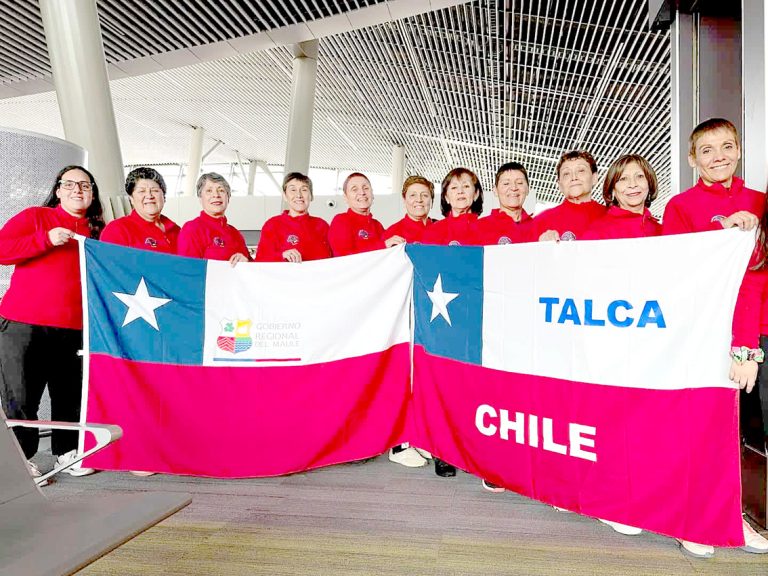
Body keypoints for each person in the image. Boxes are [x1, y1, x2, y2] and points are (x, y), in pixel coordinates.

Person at [662, 118, 768, 558]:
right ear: (692, 159)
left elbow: (758, 277)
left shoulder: (761, 202)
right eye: (707, 150)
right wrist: (718, 238)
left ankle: (747, 517)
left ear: (739, 151)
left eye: (727, 147)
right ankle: (696, 518)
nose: (718, 156)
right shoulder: (681, 206)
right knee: (704, 430)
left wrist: (755, 235)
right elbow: (675, 269)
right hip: (705, 332)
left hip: (756, 334)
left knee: (751, 435)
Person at [0, 165, 105, 483]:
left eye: (85, 185)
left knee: (70, 395)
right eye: (70, 184)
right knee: (20, 397)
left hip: (75, 327)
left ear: (92, 194)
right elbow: (2, 251)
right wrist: (45, 239)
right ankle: (22, 462)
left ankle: (67, 452)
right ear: (57, 191)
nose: (78, 190)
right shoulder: (36, 217)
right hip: (23, 325)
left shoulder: (99, 231)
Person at [255, 172, 331, 262]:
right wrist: (282, 255)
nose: (299, 195)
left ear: (311, 196)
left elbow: (335, 259)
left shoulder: (322, 226)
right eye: (293, 190)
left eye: (304, 190)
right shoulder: (273, 225)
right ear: (285, 196)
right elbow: (260, 260)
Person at [101, 167, 179, 253]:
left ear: (164, 197)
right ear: (132, 199)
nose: (149, 196)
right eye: (142, 191)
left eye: (155, 190)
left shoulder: (177, 230)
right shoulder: (117, 230)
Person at [177, 173, 250, 265]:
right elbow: (188, 269)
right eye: (209, 191)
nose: (216, 195)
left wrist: (246, 262)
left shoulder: (235, 234)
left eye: (221, 190)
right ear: (200, 198)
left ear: (228, 197)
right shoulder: (192, 229)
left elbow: (254, 271)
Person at [583, 154, 661, 240]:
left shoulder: (662, 231)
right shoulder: (597, 232)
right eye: (623, 179)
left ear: (649, 183)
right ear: (613, 189)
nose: (633, 184)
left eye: (640, 176)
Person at [534, 150, 606, 242]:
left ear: (594, 178)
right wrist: (539, 246)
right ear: (560, 185)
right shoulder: (541, 221)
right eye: (566, 174)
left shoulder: (612, 216)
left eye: (581, 170)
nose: (574, 177)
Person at [328, 172, 402, 256]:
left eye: (366, 188)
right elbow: (343, 257)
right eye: (354, 189)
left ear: (372, 194)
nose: (362, 192)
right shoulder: (341, 221)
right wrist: (383, 245)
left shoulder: (377, 226)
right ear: (346, 197)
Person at [476, 162, 534, 245]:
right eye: (506, 183)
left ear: (528, 189)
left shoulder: (538, 228)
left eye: (520, 183)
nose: (514, 188)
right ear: (495, 190)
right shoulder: (478, 228)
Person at [422, 168, 483, 246]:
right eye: (454, 187)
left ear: (476, 194)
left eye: (466, 186)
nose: (460, 191)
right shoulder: (433, 231)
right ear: (446, 197)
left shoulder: (487, 230)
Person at [383, 175, 435, 245]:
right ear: (404, 200)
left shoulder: (443, 228)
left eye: (425, 195)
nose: (419, 200)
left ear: (431, 201)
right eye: (413, 195)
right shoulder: (392, 233)